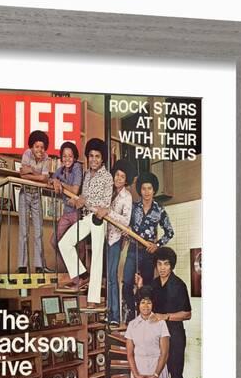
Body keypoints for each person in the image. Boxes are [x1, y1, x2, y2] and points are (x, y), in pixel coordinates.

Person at [136, 246, 192, 378]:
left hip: (175, 337)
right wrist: (139, 287)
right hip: (157, 339)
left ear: (171, 265)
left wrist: (165, 316)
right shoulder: (153, 285)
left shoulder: (179, 285)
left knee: (175, 376)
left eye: (166, 264)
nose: (162, 268)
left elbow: (187, 314)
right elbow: (143, 303)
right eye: (159, 264)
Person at [58, 138, 113, 308]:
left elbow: (106, 203)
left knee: (96, 258)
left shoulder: (107, 177)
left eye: (97, 156)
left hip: (98, 218)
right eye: (91, 156)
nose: (94, 159)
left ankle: (93, 300)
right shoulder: (87, 174)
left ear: (102, 159)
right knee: (64, 243)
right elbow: (83, 198)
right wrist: (79, 201)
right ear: (88, 157)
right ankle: (81, 275)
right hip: (85, 217)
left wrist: (98, 209)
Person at [123, 171, 174, 322]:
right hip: (133, 249)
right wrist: (126, 232)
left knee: (146, 287)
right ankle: (131, 312)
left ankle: (143, 316)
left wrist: (157, 245)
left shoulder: (160, 210)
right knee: (126, 282)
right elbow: (126, 225)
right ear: (140, 190)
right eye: (144, 188)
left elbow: (170, 232)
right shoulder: (134, 207)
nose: (146, 192)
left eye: (149, 188)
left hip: (148, 253)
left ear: (154, 190)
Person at [94, 159, 136, 327]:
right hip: (102, 235)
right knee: (106, 277)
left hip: (115, 239)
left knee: (112, 277)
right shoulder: (108, 191)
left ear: (126, 180)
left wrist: (109, 212)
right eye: (117, 174)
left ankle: (115, 315)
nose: (118, 178)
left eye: (122, 176)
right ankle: (109, 311)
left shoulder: (127, 196)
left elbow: (125, 220)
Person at [125, 286, 170, 378]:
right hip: (138, 372)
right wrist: (136, 374)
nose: (145, 306)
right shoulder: (132, 325)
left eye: (149, 302)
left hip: (157, 371)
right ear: (138, 304)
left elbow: (164, 353)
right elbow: (130, 354)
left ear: (153, 304)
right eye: (142, 302)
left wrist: (155, 375)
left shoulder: (161, 323)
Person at [17, 130, 53, 274]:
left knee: (38, 232)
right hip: (25, 194)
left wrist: (30, 171)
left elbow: (45, 179)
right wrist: (38, 175)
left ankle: (39, 266)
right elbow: (21, 174)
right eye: (37, 146)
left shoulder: (47, 158)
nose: (40, 150)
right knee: (23, 232)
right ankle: (22, 266)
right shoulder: (27, 154)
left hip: (37, 196)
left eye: (42, 147)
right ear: (32, 147)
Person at [50, 141, 84, 268]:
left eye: (70, 156)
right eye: (64, 156)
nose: (67, 159)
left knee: (79, 244)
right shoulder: (60, 170)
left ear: (74, 157)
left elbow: (74, 191)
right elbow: (51, 180)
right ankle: (72, 267)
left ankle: (81, 274)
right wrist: (54, 180)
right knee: (54, 241)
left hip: (77, 212)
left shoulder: (77, 168)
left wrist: (60, 183)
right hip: (66, 212)